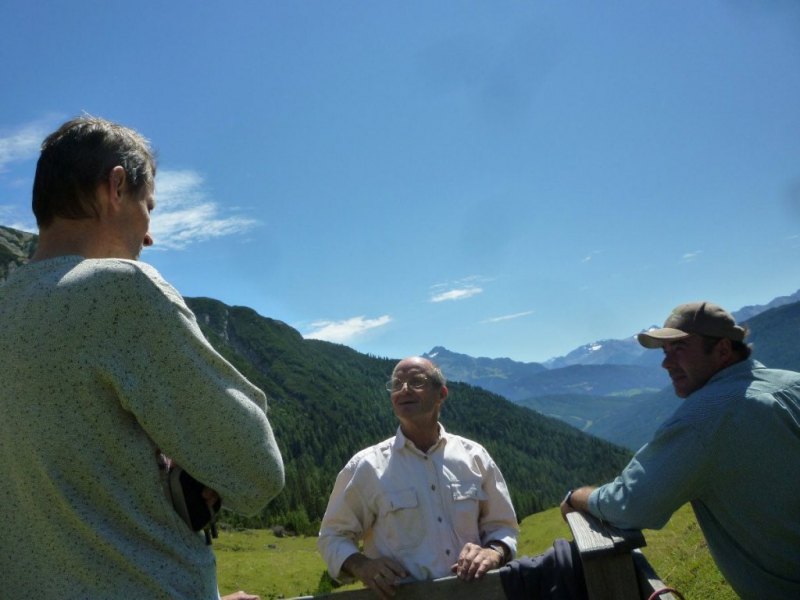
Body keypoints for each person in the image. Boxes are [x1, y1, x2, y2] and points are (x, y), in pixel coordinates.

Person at [0, 116, 285, 599]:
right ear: (115, 187)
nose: (149, 235)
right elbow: (257, 472)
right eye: (147, 206)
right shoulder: (121, 290)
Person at [560, 301, 800, 600]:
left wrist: (575, 497)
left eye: (680, 348)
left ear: (723, 350)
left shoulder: (705, 417)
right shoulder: (792, 382)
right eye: (665, 351)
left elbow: (631, 504)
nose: (666, 363)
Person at [317, 356, 519, 599]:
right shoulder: (367, 466)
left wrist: (494, 552)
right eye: (397, 384)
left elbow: (503, 526)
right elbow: (332, 536)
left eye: (416, 381)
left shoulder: (475, 457)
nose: (404, 389)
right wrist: (362, 566)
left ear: (441, 394)